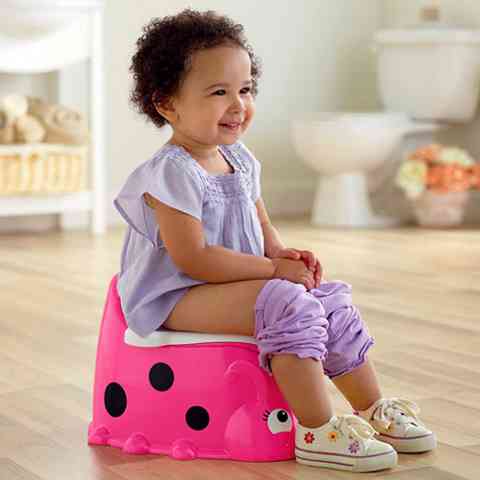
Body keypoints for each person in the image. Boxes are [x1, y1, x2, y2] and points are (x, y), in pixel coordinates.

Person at [114, 8, 436, 473]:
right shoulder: (171, 172)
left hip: (229, 284)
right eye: (219, 92)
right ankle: (318, 429)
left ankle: (372, 409)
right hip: (176, 295)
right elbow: (194, 258)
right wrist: (272, 271)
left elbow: (260, 224)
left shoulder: (240, 159)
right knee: (285, 303)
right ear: (167, 104)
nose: (238, 104)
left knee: (326, 301)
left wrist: (282, 254)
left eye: (245, 90)